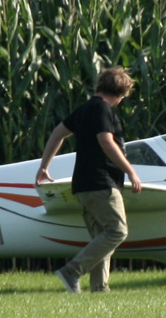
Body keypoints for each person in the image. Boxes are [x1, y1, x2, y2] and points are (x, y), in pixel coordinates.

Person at [35, 67, 143, 293]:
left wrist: (44, 166)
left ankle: (99, 288)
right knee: (117, 231)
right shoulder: (102, 108)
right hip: (101, 182)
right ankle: (72, 271)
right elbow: (105, 141)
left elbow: (57, 133)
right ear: (121, 94)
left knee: (101, 236)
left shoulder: (84, 109)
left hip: (83, 185)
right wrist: (131, 172)